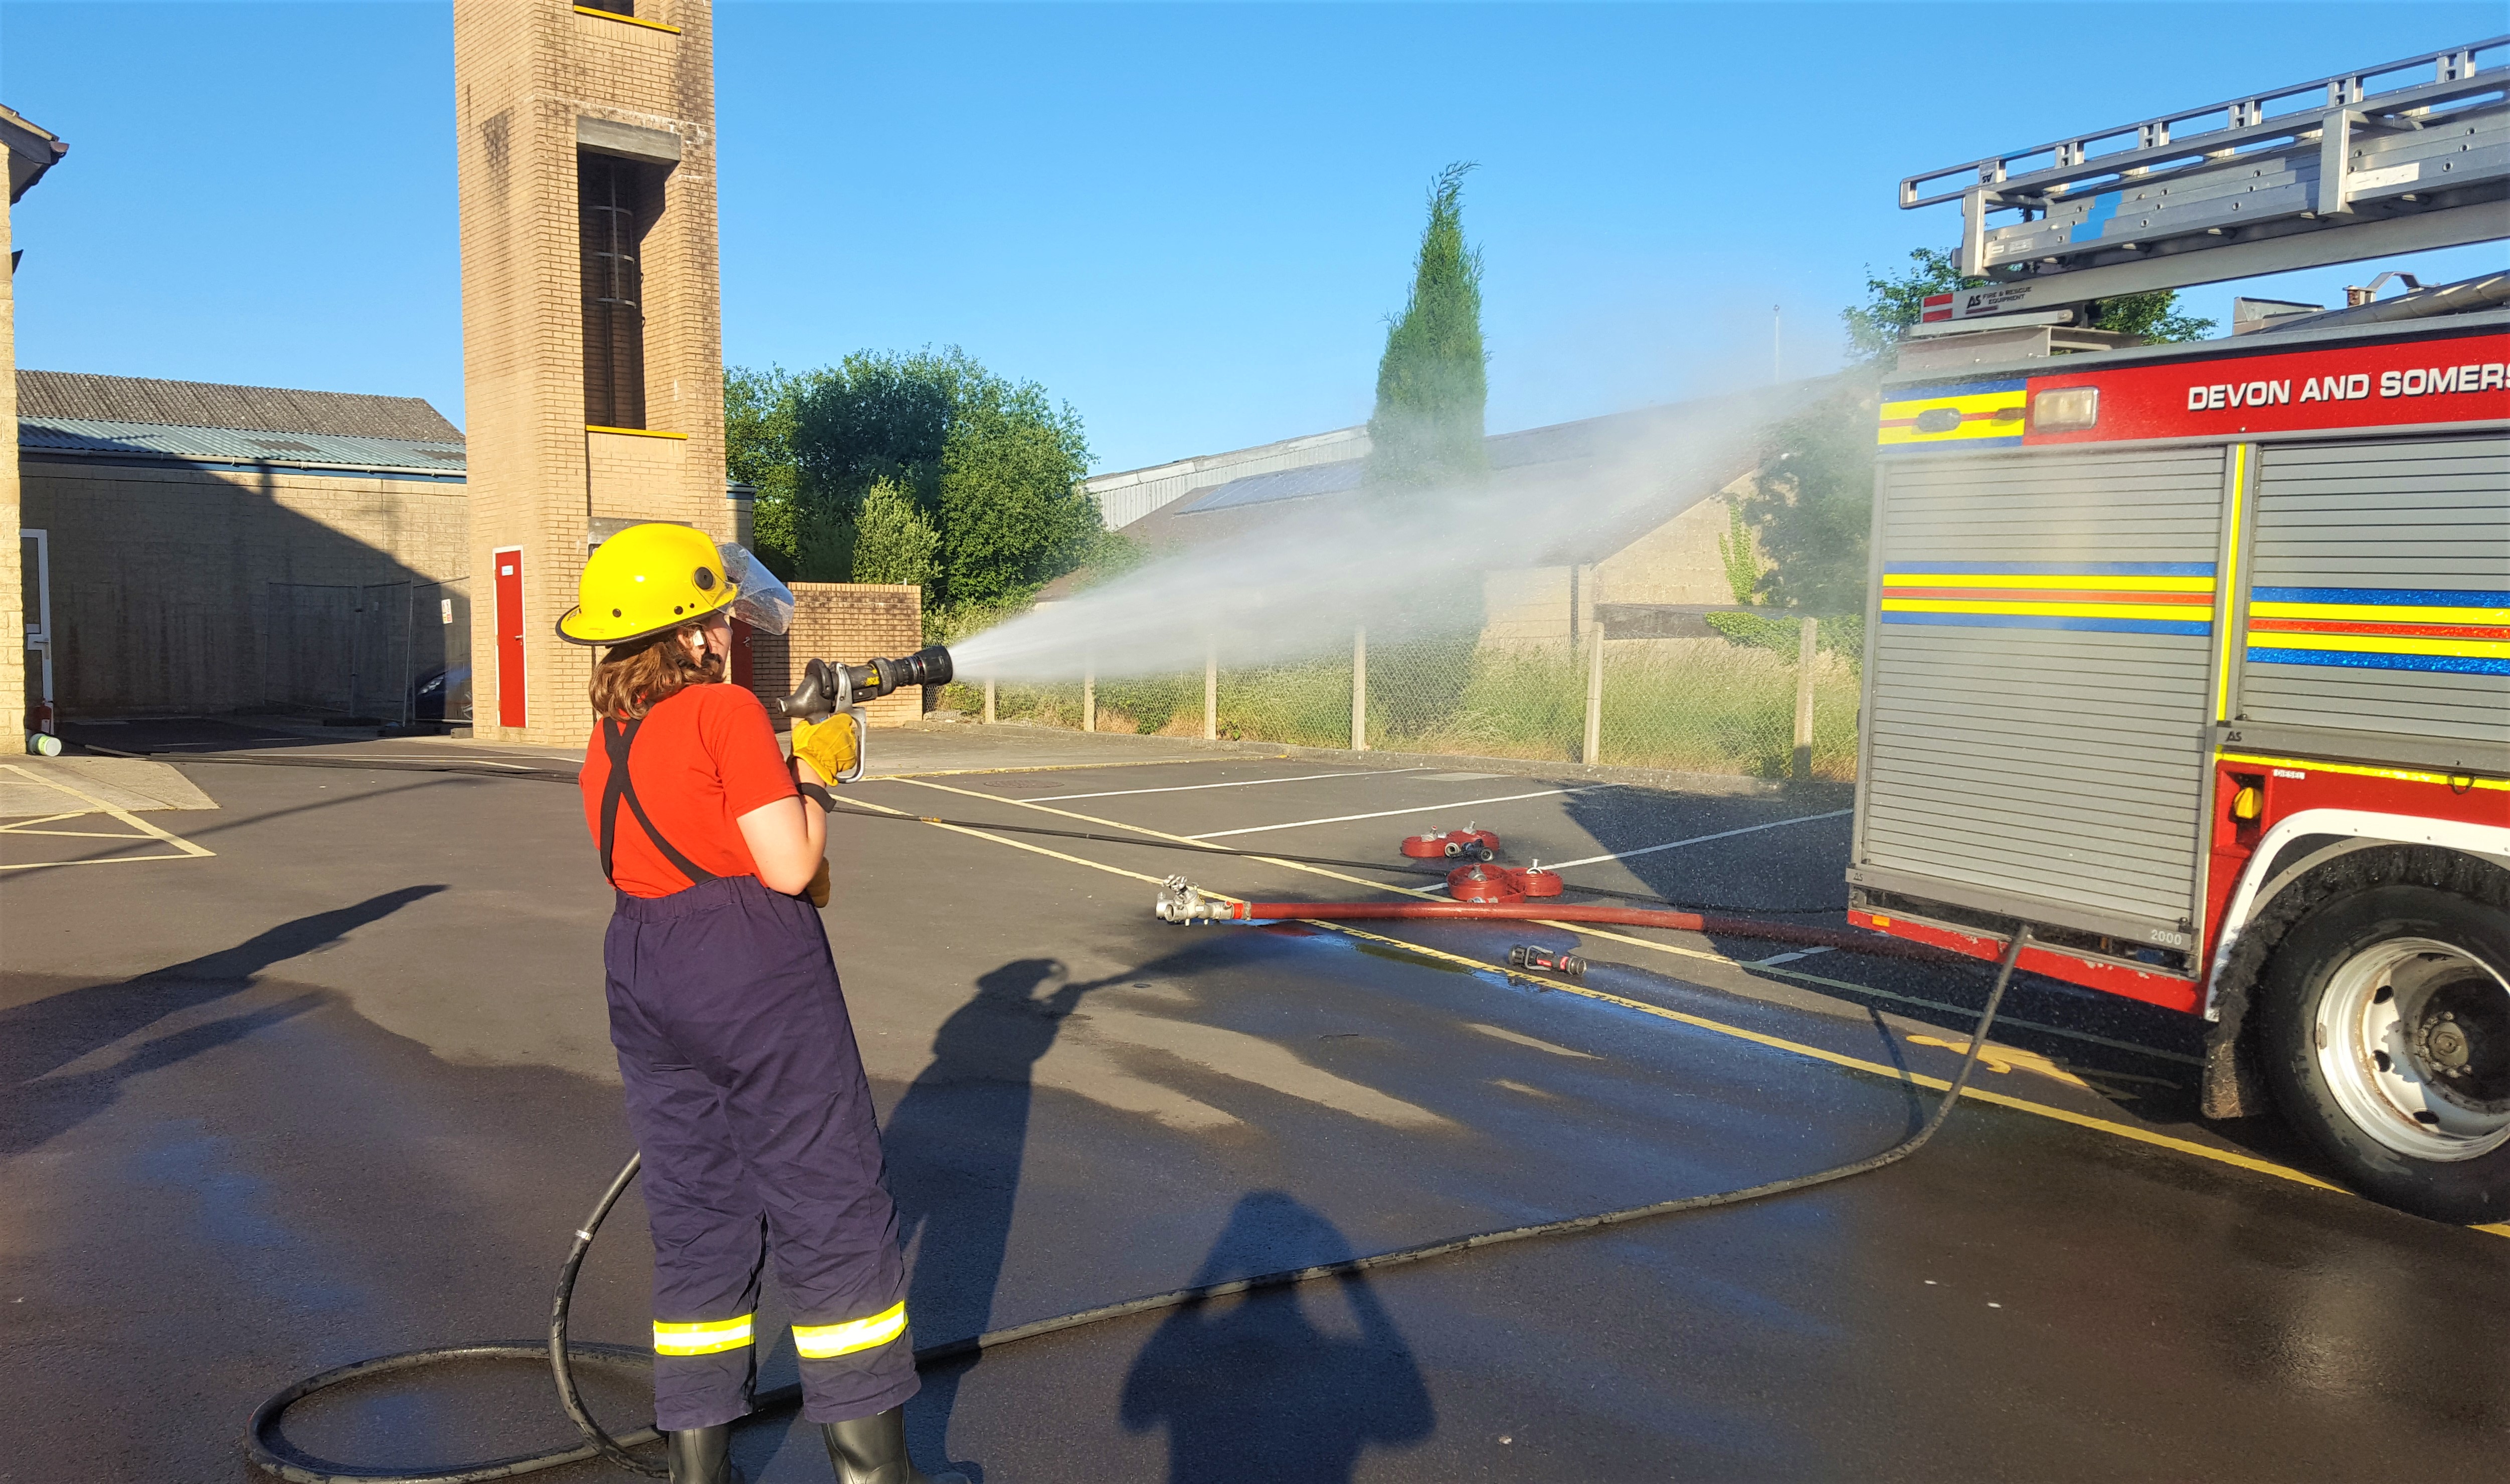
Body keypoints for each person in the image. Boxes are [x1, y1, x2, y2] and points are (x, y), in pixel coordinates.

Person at [560, 523, 962, 1484]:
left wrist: (777, 757)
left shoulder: (610, 734)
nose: (731, 627)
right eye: (716, 615)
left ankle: (698, 1470)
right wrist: (816, 768)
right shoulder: (726, 713)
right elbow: (790, 865)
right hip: (746, 967)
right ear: (688, 632)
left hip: (644, 965)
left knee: (699, 1215)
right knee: (829, 1206)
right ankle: (875, 1477)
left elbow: (680, 832)